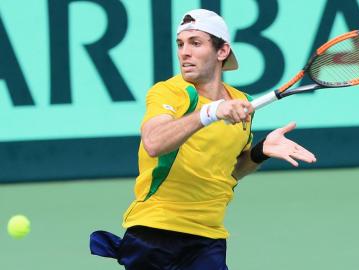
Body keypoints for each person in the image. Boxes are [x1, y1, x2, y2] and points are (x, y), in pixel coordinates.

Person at [90, 8, 316, 270]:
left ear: (222, 52)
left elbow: (230, 172)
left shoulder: (242, 104)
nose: (184, 52)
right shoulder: (169, 92)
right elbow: (153, 142)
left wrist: (259, 152)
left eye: (196, 43)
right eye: (181, 44)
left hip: (208, 239)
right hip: (155, 232)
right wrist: (211, 111)